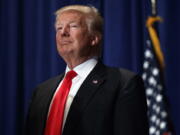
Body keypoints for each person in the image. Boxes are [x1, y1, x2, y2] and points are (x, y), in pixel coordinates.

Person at [25, 5, 149, 135]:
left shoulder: (123, 84)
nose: (63, 32)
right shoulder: (42, 91)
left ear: (94, 38)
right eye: (59, 28)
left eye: (73, 26)